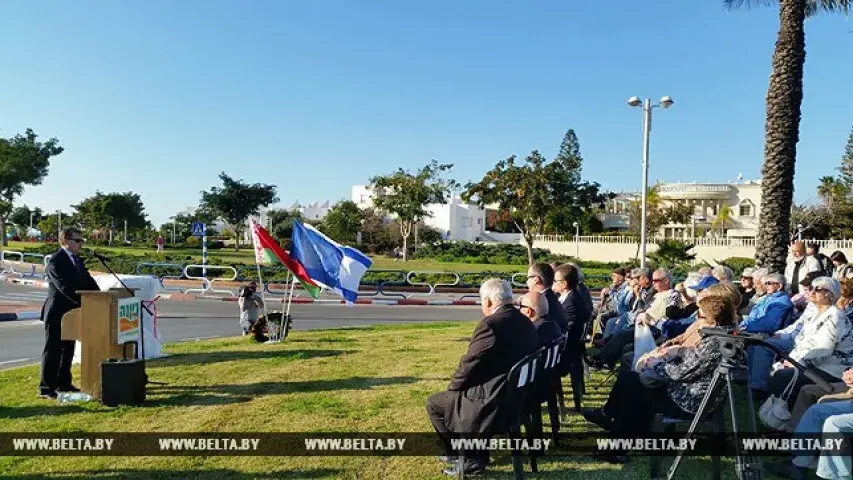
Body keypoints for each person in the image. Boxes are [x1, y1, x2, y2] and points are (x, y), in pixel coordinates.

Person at [583, 293, 738, 463]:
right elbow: (696, 362)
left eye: (699, 315)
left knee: (631, 385)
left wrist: (655, 363)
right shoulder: (725, 336)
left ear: (713, 320)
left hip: (690, 401)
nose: (697, 318)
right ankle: (621, 435)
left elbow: (679, 373)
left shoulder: (714, 342)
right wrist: (679, 351)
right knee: (634, 383)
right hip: (693, 393)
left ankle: (615, 443)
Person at [426, 279, 539, 476]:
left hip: (495, 400)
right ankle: (473, 453)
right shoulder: (525, 321)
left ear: (487, 301)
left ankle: (466, 455)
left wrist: (453, 388)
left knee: (435, 403)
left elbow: (469, 364)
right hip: (519, 397)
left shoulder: (491, 325)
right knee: (464, 396)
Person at [767, 277, 852, 413]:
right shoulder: (816, 314)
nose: (812, 292)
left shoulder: (835, 316)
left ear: (830, 294)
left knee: (783, 377)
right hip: (814, 365)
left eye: (817, 289)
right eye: (811, 288)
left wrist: (795, 363)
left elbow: (823, 351)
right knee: (778, 369)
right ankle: (781, 412)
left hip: (832, 370)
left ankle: (786, 417)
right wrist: (790, 360)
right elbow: (803, 344)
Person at [38, 228, 100, 399]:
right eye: (78, 241)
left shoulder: (77, 260)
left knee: (68, 348)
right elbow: (64, 288)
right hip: (57, 311)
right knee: (53, 349)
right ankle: (46, 387)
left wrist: (100, 296)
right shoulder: (55, 261)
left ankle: (63, 382)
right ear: (65, 241)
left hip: (72, 312)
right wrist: (84, 301)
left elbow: (88, 281)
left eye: (82, 241)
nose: (81, 244)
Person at [527, 263, 568, 333]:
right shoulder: (551, 297)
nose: (527, 281)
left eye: (528, 277)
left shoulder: (540, 302)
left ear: (536, 279)